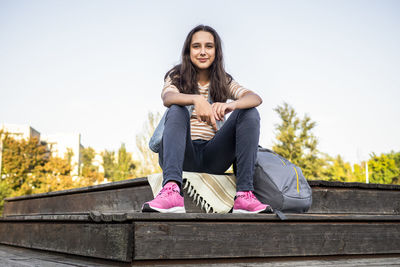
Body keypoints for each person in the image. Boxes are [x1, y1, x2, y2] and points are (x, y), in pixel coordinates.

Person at [142, 25, 273, 214]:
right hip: (183, 154)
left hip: (213, 156)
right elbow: (168, 98)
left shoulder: (223, 80)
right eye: (196, 46)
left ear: (216, 51)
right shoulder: (176, 76)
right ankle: (171, 191)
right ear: (188, 51)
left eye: (209, 46)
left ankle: (244, 195)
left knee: (249, 111)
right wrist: (196, 99)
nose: (203, 52)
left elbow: (255, 98)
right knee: (177, 109)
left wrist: (231, 105)